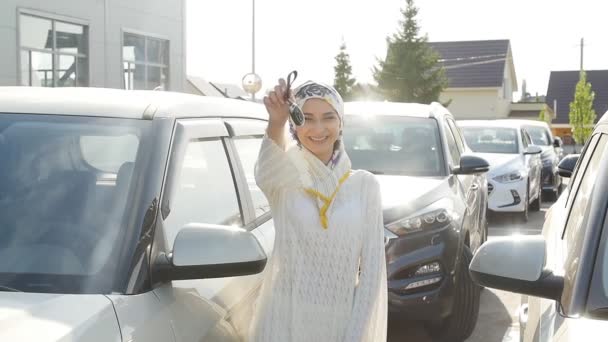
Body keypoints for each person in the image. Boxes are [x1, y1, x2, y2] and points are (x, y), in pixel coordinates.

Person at [249, 78, 387, 342]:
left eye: (328, 117)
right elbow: (265, 171)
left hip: (339, 325)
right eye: (307, 118)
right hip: (281, 322)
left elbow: (371, 276)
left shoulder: (364, 186)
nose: (318, 128)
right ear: (294, 125)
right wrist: (276, 121)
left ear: (341, 123)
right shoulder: (284, 177)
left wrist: (356, 335)